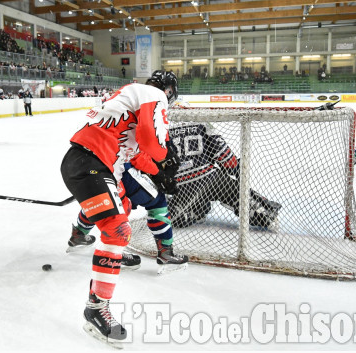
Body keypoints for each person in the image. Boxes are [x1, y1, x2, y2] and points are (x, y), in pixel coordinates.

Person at [59, 70, 179, 346]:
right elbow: (151, 141)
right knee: (118, 229)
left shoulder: (131, 100)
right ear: (169, 91)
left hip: (92, 163)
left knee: (122, 205)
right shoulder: (153, 94)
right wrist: (165, 158)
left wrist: (157, 173)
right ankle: (96, 308)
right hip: (90, 164)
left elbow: (135, 152)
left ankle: (109, 253)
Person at [67, 156, 190, 274]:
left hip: (87, 163)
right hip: (117, 166)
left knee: (100, 201)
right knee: (156, 201)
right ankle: (164, 251)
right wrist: (157, 173)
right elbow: (137, 153)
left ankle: (79, 233)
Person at [165, 118, 281, 230]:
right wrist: (234, 167)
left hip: (178, 184)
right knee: (236, 194)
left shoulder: (162, 127)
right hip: (209, 179)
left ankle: (193, 210)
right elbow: (224, 155)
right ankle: (265, 214)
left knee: (171, 212)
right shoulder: (202, 122)